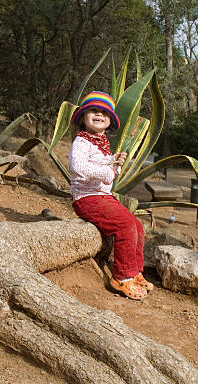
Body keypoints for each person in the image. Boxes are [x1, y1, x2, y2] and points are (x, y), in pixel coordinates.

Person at [68, 91, 153, 300]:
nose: (99, 115)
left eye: (104, 113)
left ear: (109, 122)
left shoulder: (101, 142)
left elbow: (104, 166)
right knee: (124, 225)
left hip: (103, 197)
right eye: (93, 111)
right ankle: (122, 277)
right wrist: (107, 171)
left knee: (137, 226)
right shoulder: (81, 142)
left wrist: (114, 161)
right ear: (83, 117)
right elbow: (77, 166)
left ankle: (135, 271)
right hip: (87, 198)